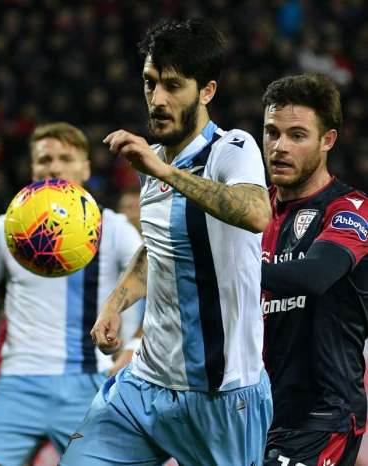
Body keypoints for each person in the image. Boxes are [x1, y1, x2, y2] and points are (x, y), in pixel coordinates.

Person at [61, 18, 273, 465]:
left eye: (173, 86)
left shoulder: (233, 149)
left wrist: (164, 173)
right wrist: (115, 304)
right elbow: (159, 247)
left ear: (207, 91)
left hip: (221, 397)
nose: (157, 99)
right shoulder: (153, 160)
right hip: (143, 386)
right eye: (150, 83)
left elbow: (256, 212)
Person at [0, 121, 143, 466]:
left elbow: (162, 283)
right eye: (44, 159)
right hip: (17, 383)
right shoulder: (6, 228)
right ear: (33, 168)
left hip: (89, 382)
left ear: (86, 168)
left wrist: (135, 346)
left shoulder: (113, 229)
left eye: (66, 158)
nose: (54, 167)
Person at [259, 74, 368, 465]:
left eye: (297, 135)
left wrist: (225, 269)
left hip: (322, 415)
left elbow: (315, 275)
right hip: (255, 411)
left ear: (328, 140)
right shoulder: (255, 212)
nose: (279, 147)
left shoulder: (350, 210)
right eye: (271, 132)